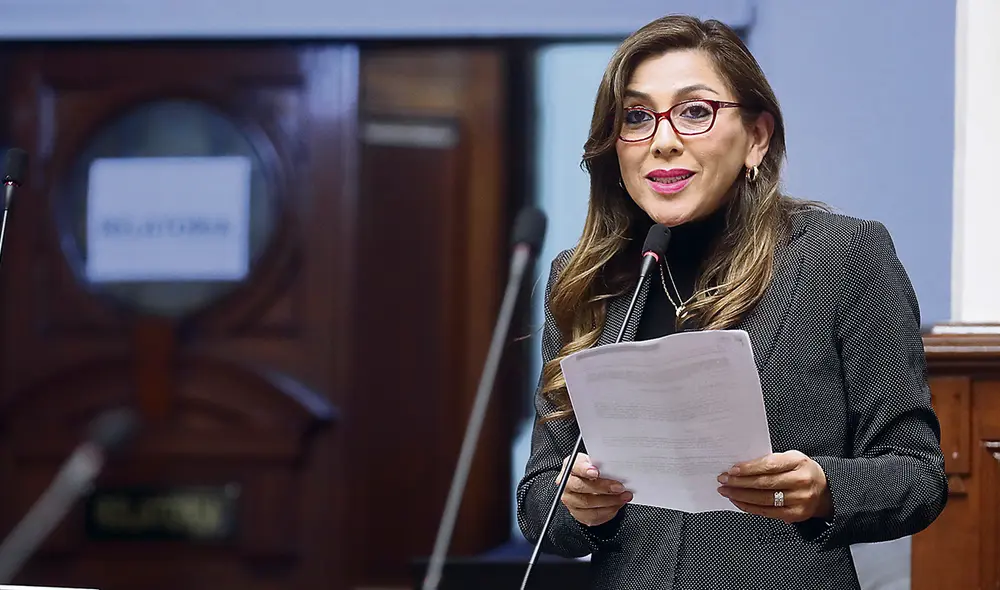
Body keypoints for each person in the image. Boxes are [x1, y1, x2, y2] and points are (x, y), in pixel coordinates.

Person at [515, 14, 948, 590]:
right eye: (637, 117)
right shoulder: (585, 278)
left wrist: (825, 488)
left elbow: (919, 477)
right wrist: (575, 504)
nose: (663, 139)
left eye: (695, 111)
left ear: (757, 137)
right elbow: (539, 504)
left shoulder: (838, 256)